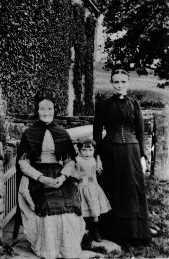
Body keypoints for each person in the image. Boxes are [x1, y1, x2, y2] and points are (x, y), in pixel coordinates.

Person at [17, 89, 85, 259]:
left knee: (69, 203)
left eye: (49, 109)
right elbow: (23, 162)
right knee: (47, 206)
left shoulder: (62, 132)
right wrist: (40, 177)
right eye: (42, 109)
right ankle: (49, 250)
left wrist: (63, 177)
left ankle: (67, 250)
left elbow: (70, 160)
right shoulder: (29, 133)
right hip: (37, 175)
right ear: (37, 110)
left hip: (59, 174)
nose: (46, 112)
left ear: (55, 110)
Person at [93, 69, 151, 243]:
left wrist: (143, 156)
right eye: (116, 82)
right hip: (109, 151)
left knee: (131, 188)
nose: (119, 85)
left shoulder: (134, 104)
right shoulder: (103, 104)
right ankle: (111, 231)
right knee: (113, 187)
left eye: (123, 82)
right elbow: (97, 133)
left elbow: (140, 133)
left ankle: (134, 232)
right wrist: (96, 156)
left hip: (131, 151)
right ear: (111, 83)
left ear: (128, 83)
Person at [74, 138, 111, 242]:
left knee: (94, 209)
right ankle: (82, 232)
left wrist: (99, 168)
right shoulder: (77, 161)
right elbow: (74, 174)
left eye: (90, 150)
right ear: (79, 151)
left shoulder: (95, 160)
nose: (87, 153)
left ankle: (95, 230)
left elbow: (99, 172)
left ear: (94, 150)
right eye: (84, 150)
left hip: (93, 187)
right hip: (81, 187)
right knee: (82, 209)